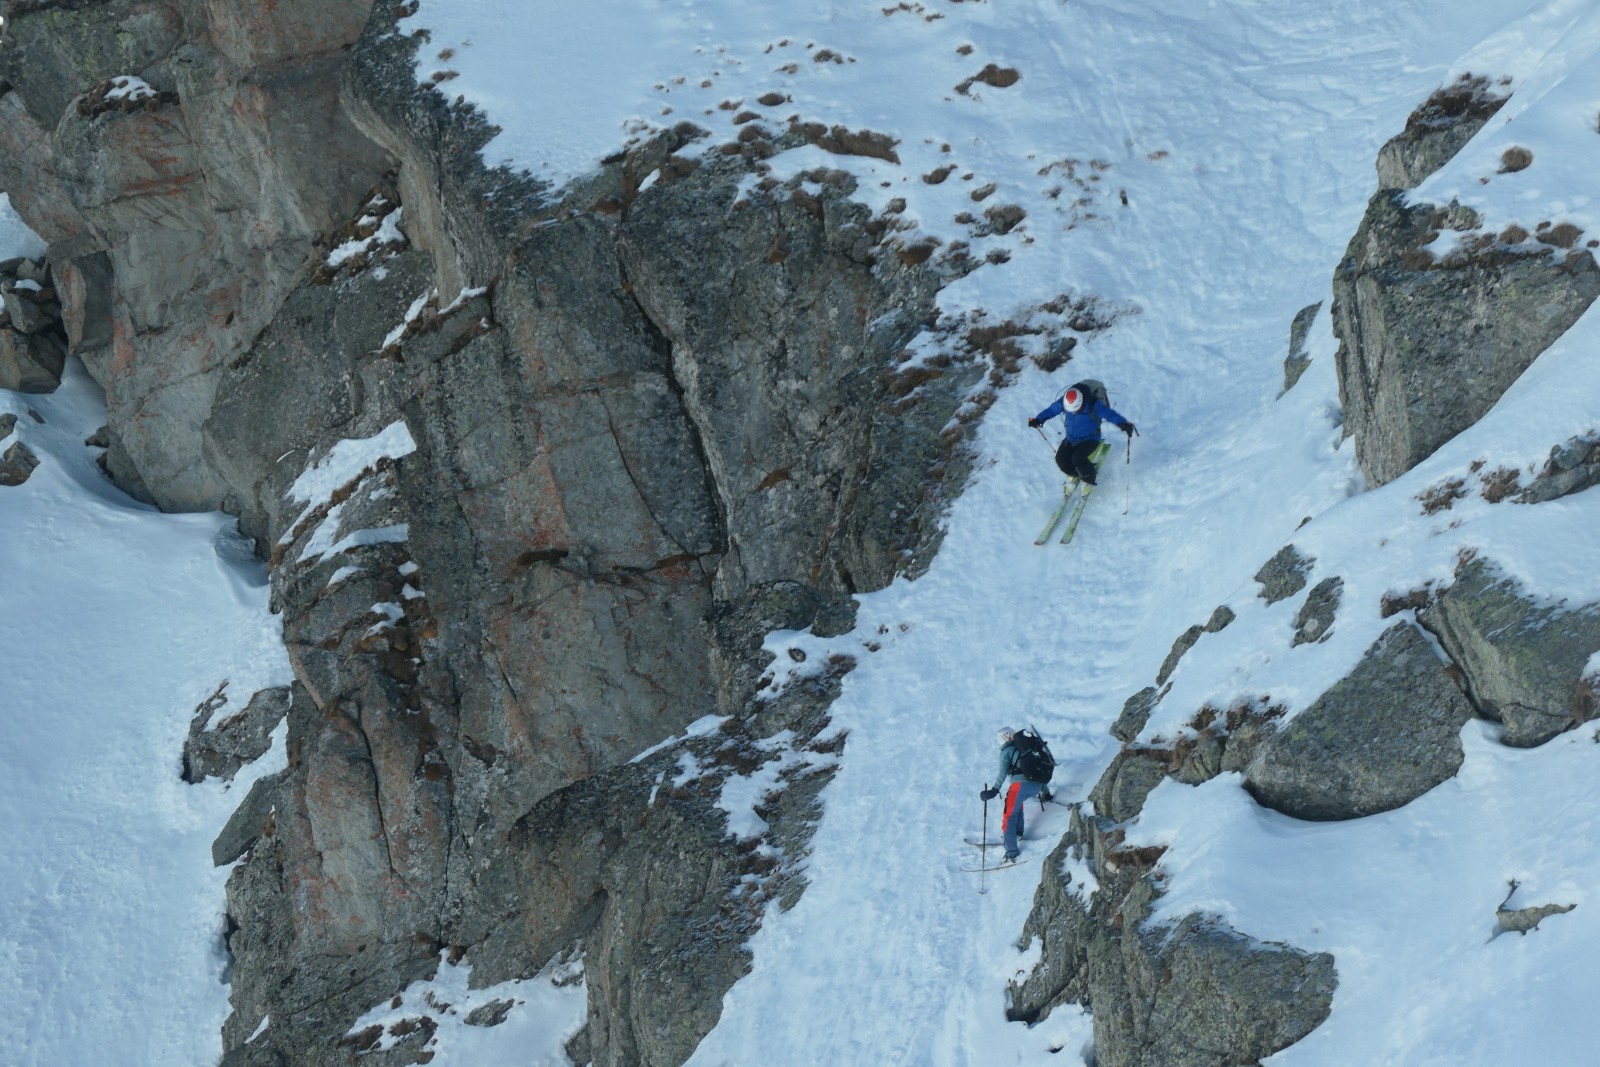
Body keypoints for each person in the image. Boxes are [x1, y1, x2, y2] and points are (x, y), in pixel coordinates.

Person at [1027, 381, 1136, 486]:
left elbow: (1110, 415)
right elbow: (1052, 410)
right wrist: (1038, 419)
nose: (1073, 412)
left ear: (1081, 402)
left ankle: (1089, 479)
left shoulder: (1093, 404)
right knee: (1060, 460)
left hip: (1090, 439)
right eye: (1071, 411)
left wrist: (1124, 424)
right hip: (1071, 439)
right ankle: (1077, 474)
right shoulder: (1066, 401)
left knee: (1077, 459)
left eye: (1076, 410)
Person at [978, 728, 1047, 862]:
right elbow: (1039, 770)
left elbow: (1002, 773)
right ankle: (1018, 833)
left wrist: (994, 790)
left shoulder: (1006, 752)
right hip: (1037, 786)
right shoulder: (1027, 748)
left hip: (1019, 787)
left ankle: (1011, 851)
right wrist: (1046, 792)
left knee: (1009, 816)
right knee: (1017, 804)